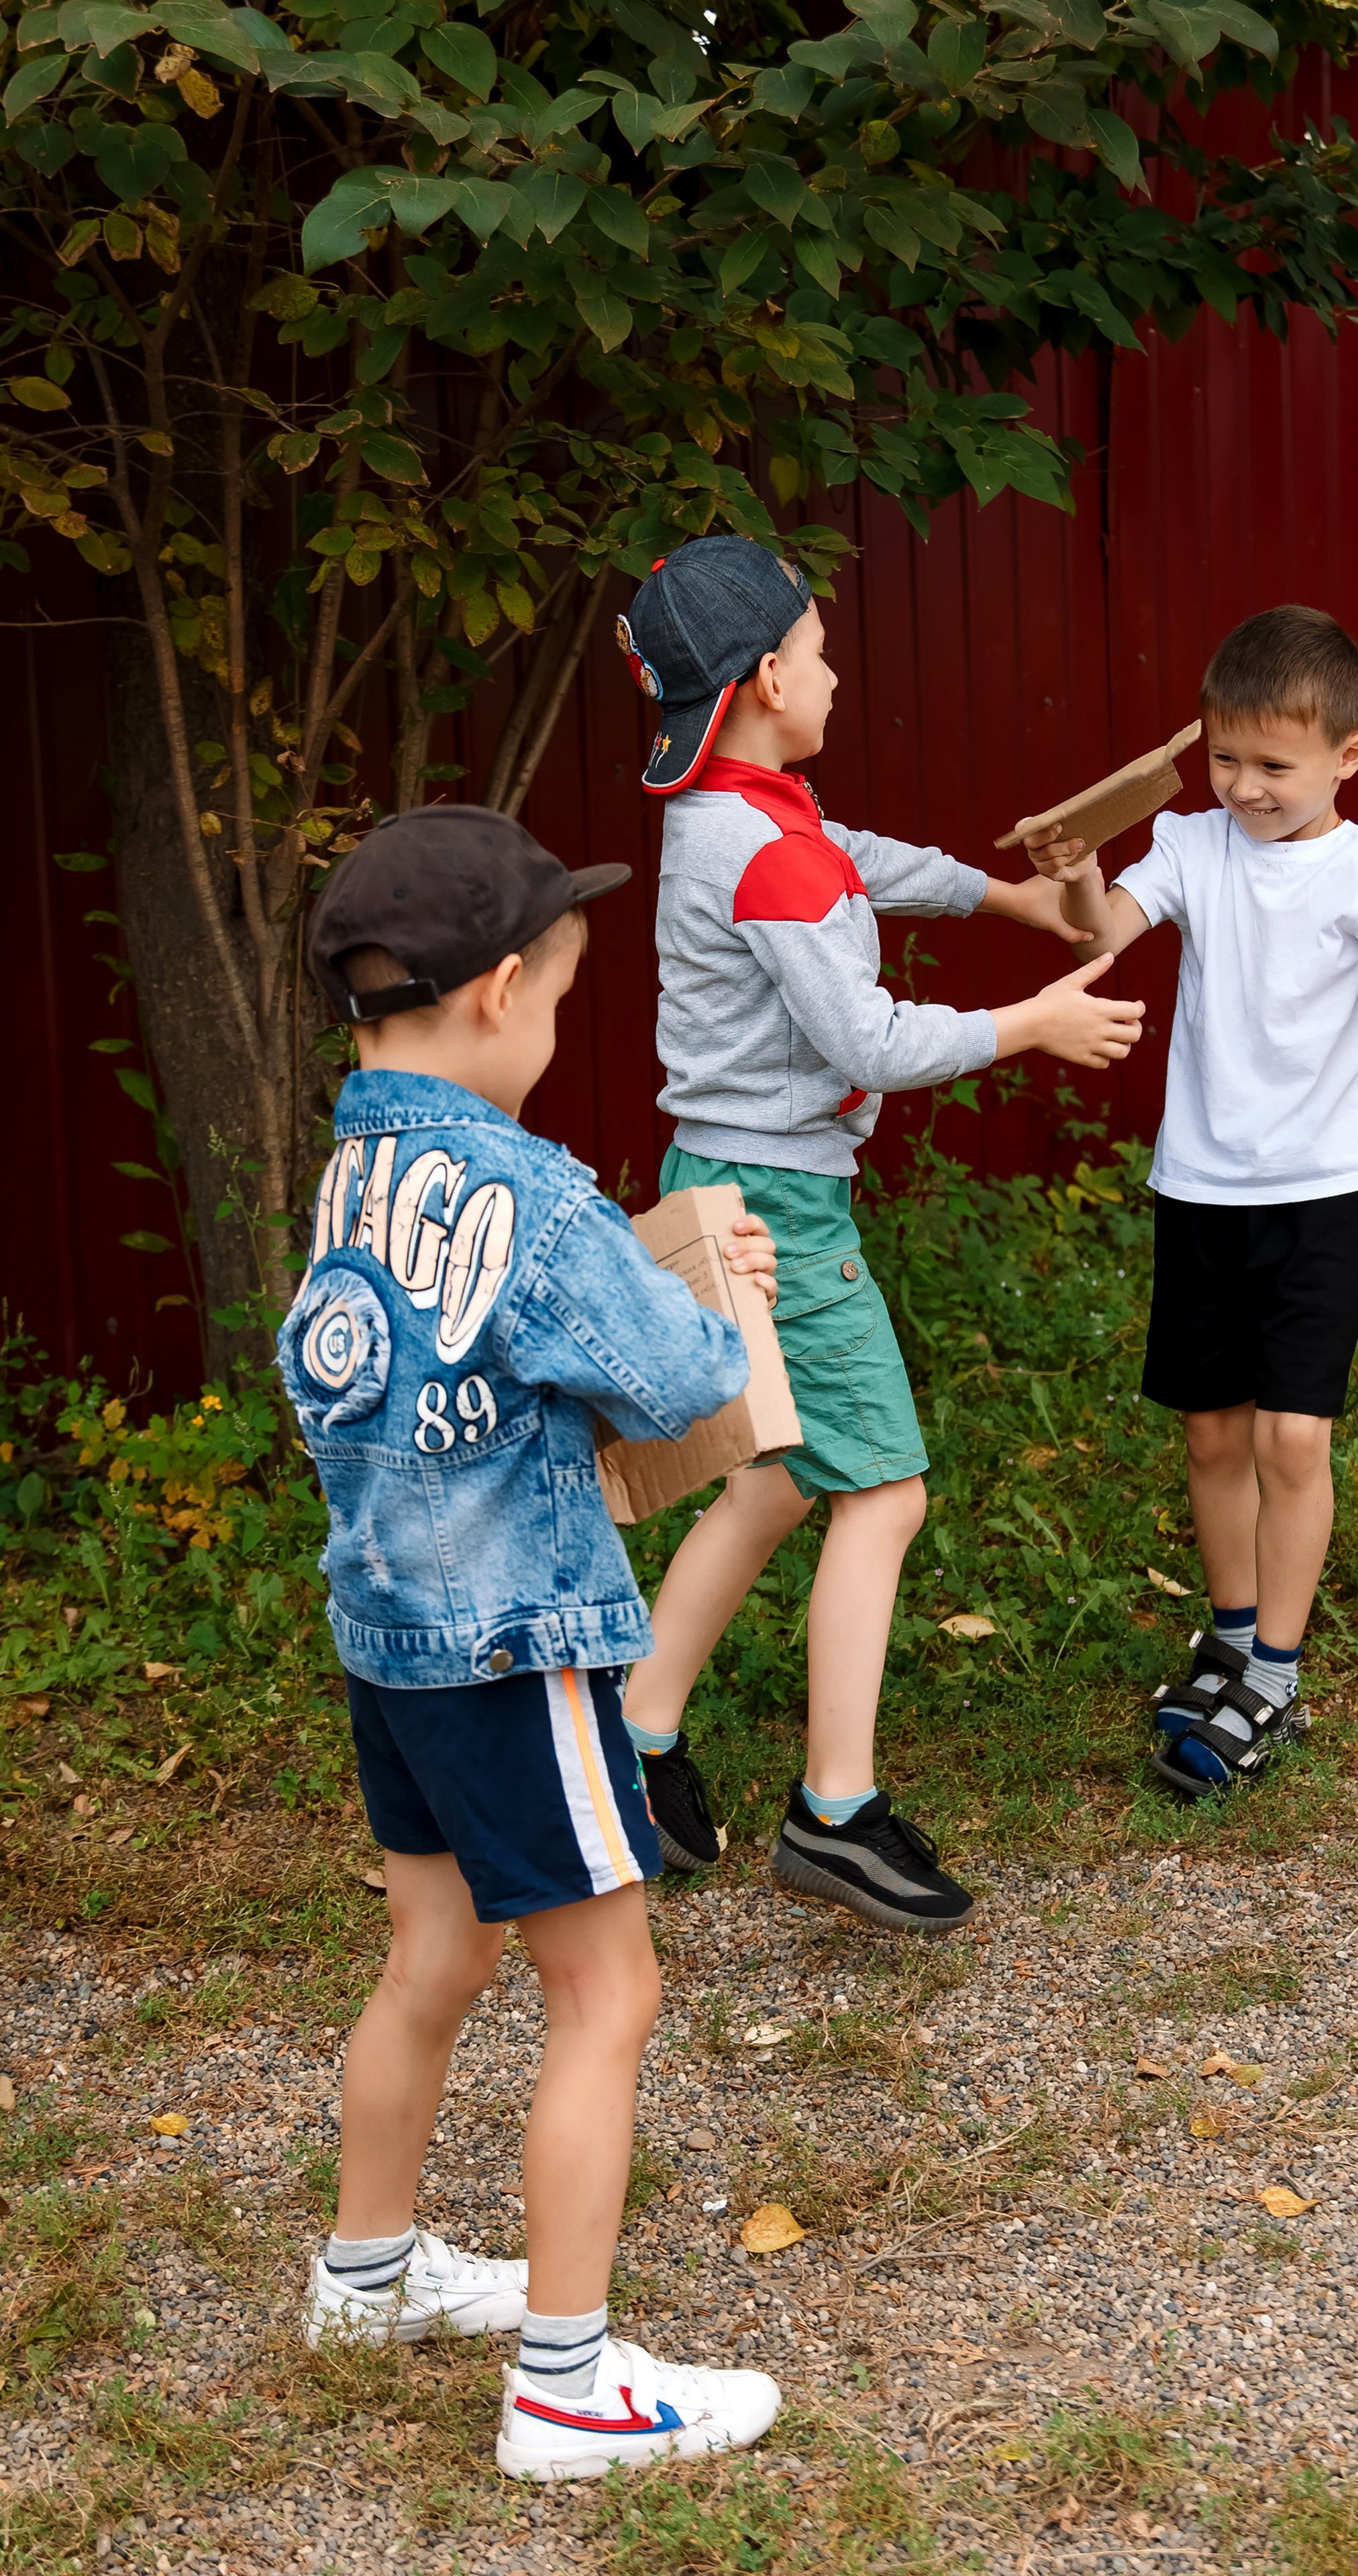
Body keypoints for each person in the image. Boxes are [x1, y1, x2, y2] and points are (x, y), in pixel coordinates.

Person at [278, 806, 784, 2478]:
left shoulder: (350, 1166)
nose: (559, 1029)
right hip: (514, 1646)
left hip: (387, 1636)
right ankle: (567, 2384)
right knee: (607, 1992)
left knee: (436, 1954)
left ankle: (368, 2272)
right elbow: (683, 1381)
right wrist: (726, 1291)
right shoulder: (527, 1192)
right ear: (500, 993)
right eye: (563, 998)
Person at [611, 534, 1145, 1931]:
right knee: (884, 1491)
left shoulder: (739, 806)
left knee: (770, 1477)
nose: (840, 672)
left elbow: (852, 858)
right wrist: (1030, 1021)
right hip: (779, 1201)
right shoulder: (758, 849)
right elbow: (868, 1036)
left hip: (716, 1173)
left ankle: (636, 1735)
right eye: (825, 650)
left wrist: (1002, 895)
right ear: (770, 676)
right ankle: (833, 1813)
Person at [1021, 605, 1358, 1796]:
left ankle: (1274, 1683)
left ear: (1347, 756)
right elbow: (1107, 931)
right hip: (1202, 1182)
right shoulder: (1191, 847)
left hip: (1326, 1189)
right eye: (1226, 757)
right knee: (1213, 1432)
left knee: (1294, 1436)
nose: (1244, 786)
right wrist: (1081, 876)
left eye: (1273, 765)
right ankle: (1231, 1639)